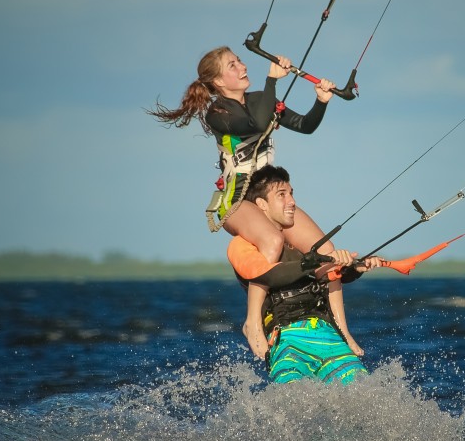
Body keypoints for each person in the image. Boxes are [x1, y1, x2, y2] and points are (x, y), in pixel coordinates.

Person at [148, 46, 364, 353]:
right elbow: (255, 124)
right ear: (218, 82)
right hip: (237, 201)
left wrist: (321, 101)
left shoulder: (261, 99)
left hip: (268, 196)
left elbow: (305, 126)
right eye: (232, 66)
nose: (242, 67)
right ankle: (252, 321)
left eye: (240, 61)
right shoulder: (218, 114)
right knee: (273, 242)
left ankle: (341, 329)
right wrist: (273, 80)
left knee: (327, 252)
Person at [227, 165, 382, 385]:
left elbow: (326, 276)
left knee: (365, 393)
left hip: (326, 335)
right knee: (291, 403)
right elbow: (267, 275)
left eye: (291, 194)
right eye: (282, 195)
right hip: (288, 341)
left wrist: (353, 268)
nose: (292, 202)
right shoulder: (242, 247)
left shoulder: (303, 250)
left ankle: (344, 333)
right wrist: (312, 263)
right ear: (261, 205)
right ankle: (252, 324)